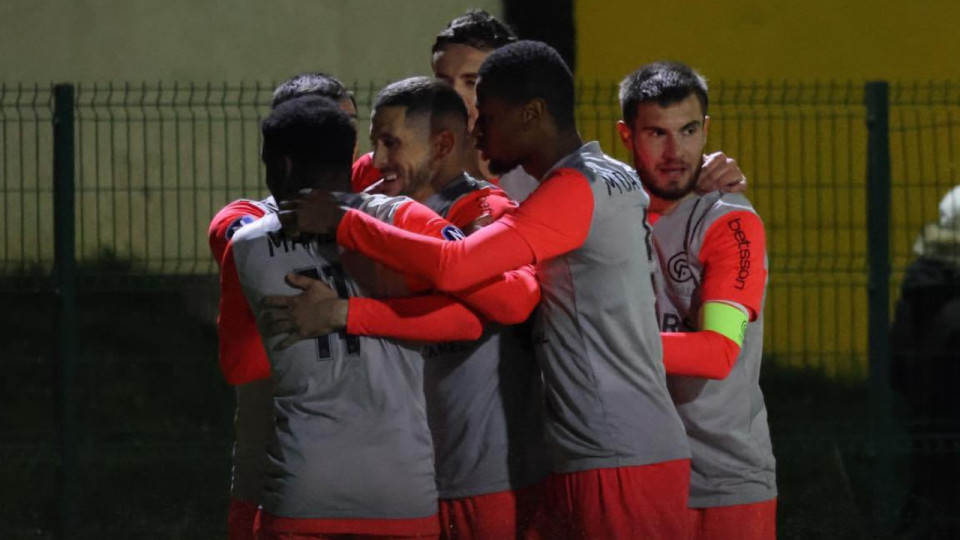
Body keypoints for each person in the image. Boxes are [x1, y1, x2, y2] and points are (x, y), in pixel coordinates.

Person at [278, 41, 693, 539]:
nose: (477, 129)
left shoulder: (569, 189)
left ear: (532, 113)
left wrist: (345, 224)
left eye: (489, 114)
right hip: (619, 443)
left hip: (613, 447)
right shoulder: (610, 174)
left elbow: (462, 269)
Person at [264, 76, 549, 540]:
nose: (375, 160)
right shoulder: (385, 200)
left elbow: (511, 303)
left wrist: (346, 311)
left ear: (441, 144)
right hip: (410, 476)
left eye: (390, 143)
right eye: (373, 142)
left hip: (488, 473)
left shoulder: (485, 209)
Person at [227, 95, 474, 540]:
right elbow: (470, 319)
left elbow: (238, 365)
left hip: (303, 489)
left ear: (281, 165)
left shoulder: (245, 244)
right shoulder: (405, 221)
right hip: (402, 492)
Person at [617, 61, 777, 539]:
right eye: (656, 134)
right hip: (636, 472)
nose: (675, 151)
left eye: (688, 131)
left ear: (706, 130)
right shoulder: (606, 209)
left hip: (725, 480)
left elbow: (718, 352)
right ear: (627, 136)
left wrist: (607, 343)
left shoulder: (730, 220)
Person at [206, 72, 358, 540]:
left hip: (370, 466)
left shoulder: (378, 219)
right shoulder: (245, 223)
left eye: (350, 128)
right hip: (272, 462)